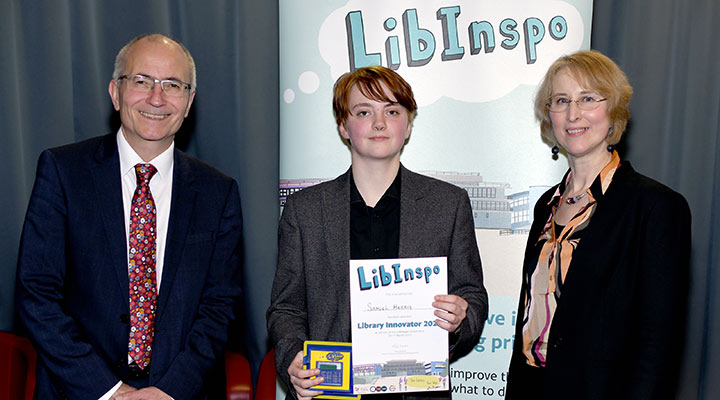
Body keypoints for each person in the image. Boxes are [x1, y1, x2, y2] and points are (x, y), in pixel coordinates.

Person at [15, 34, 243, 400]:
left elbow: (221, 307)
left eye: (173, 85)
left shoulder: (219, 192)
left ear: (188, 103)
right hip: (80, 391)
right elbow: (36, 293)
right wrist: (109, 391)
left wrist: (169, 390)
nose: (157, 98)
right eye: (141, 81)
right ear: (115, 92)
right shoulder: (63, 172)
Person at [266, 66, 488, 400]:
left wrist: (460, 318)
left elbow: (472, 294)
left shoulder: (448, 204)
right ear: (344, 126)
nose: (379, 123)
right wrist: (292, 359)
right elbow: (286, 309)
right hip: (330, 393)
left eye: (392, 111)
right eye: (364, 111)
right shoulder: (306, 210)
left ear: (408, 124)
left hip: (417, 392)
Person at [505, 50, 691, 399]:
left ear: (613, 113)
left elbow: (658, 340)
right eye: (561, 100)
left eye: (588, 98)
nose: (573, 114)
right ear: (549, 116)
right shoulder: (546, 205)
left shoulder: (655, 208)